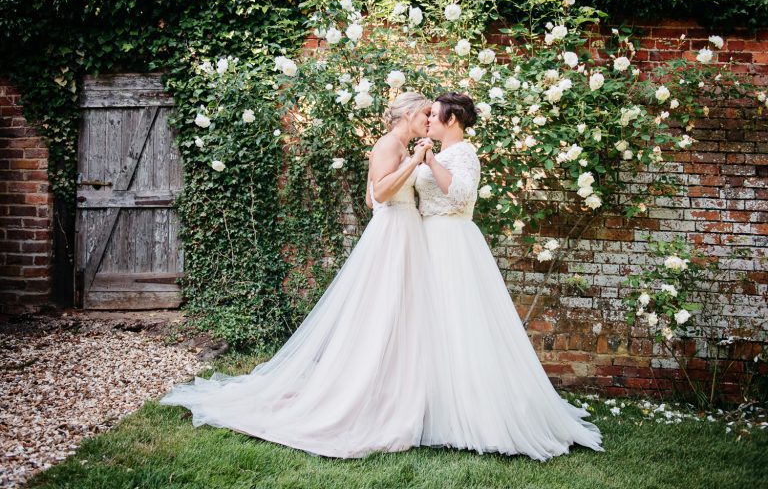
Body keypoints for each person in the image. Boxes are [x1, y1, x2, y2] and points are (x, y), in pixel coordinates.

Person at [161, 92, 434, 458]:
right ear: (410, 113)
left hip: (403, 232)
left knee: (398, 313)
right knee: (383, 312)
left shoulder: (399, 146)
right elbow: (381, 195)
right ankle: (367, 390)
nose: (429, 120)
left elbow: (370, 200)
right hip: (394, 235)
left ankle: (392, 387)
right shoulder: (390, 144)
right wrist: (414, 161)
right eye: (426, 113)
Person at [415, 92, 604, 461]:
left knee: (457, 323)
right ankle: (429, 403)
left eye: (434, 116)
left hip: (451, 242)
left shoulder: (462, 153)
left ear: (452, 120)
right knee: (432, 323)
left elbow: (461, 195)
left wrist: (430, 160)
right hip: (429, 240)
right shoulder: (439, 150)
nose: (429, 121)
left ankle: (468, 411)